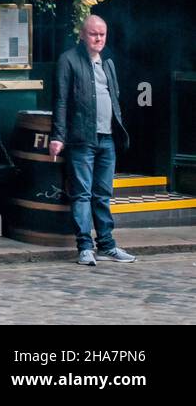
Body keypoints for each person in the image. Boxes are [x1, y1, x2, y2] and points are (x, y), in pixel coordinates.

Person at [50, 15, 137, 265]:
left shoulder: (108, 62)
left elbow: (114, 95)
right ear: (82, 35)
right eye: (93, 34)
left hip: (107, 138)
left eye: (102, 34)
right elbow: (61, 100)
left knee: (102, 193)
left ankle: (107, 245)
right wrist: (58, 136)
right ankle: (84, 247)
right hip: (80, 138)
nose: (98, 38)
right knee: (82, 194)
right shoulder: (68, 60)